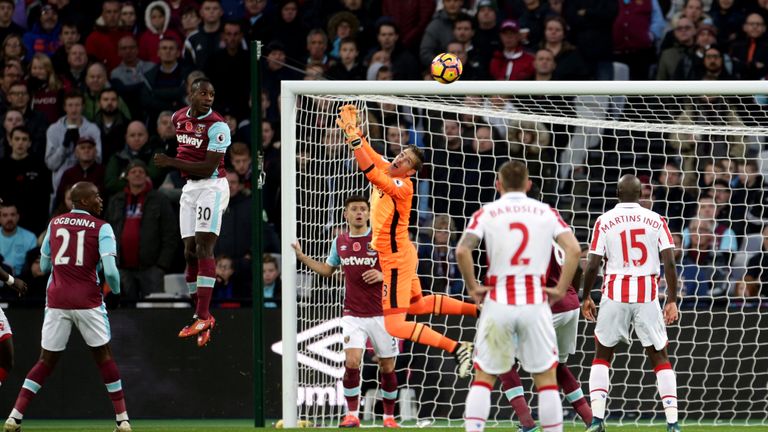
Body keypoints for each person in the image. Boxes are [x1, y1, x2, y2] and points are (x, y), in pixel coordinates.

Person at [335, 104, 477, 378]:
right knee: (419, 305)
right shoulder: (390, 168)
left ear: (411, 172)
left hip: (395, 259)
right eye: (401, 154)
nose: (399, 160)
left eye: (406, 161)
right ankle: (479, 309)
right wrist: (354, 134)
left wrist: (354, 137)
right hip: (401, 253)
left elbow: (370, 172)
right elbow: (371, 156)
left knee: (396, 326)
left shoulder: (402, 186)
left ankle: (458, 347)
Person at [455, 160, 581, 432]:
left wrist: (473, 286)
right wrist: (560, 289)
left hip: (499, 301)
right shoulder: (545, 212)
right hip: (534, 303)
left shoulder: (487, 212)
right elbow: (574, 249)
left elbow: (463, 251)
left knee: (484, 376)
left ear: (498, 184)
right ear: (528, 184)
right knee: (546, 377)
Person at [3, 182, 131, 432]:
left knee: (45, 361)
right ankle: (123, 420)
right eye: (95, 196)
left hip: (57, 300)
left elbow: (46, 266)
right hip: (88, 300)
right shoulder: (102, 227)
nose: (100, 200)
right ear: (82, 201)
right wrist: (115, 292)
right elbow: (112, 271)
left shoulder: (55, 223)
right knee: (104, 357)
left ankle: (14, 417)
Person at [581, 175, 680, 432]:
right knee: (659, 356)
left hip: (614, 293)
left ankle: (597, 420)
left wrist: (586, 296)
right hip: (647, 294)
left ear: (616, 192)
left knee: (602, 354)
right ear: (640, 194)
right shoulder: (656, 220)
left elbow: (592, 263)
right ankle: (672, 423)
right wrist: (671, 299)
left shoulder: (604, 220)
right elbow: (669, 262)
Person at [292, 195, 400, 428]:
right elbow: (327, 270)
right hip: (352, 313)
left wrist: (383, 275)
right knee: (352, 362)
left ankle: (389, 417)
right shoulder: (339, 242)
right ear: (345, 214)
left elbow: (402, 270)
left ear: (369, 213)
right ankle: (352, 414)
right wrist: (302, 257)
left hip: (383, 313)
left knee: (387, 367)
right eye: (354, 209)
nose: (359, 212)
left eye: (363, 209)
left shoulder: (380, 239)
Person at [497, 195, 593, 431]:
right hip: (570, 305)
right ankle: (592, 420)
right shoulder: (554, 229)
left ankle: (527, 423)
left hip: (548, 308)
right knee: (557, 365)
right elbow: (579, 261)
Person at [153, 78, 231, 348]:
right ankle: (204, 314)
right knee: (188, 251)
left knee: (203, 244)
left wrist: (171, 162)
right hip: (189, 188)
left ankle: (200, 314)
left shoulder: (219, 126)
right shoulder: (177, 118)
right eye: (203, 93)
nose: (208, 98)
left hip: (212, 186)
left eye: (212, 94)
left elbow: (210, 166)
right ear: (191, 94)